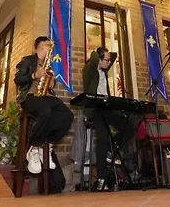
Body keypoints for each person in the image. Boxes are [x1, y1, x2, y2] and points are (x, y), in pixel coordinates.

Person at [14, 36, 74, 174]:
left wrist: (51, 82)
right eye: (48, 45)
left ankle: (48, 146)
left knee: (67, 115)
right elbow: (18, 79)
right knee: (45, 110)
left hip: (45, 96)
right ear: (41, 46)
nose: (51, 48)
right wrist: (34, 75)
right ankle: (34, 148)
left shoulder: (48, 65)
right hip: (29, 97)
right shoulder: (27, 60)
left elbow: (49, 83)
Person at [82, 47, 136, 190]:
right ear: (98, 60)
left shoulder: (104, 71)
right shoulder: (89, 70)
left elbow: (114, 55)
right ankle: (101, 179)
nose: (109, 62)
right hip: (95, 109)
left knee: (129, 125)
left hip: (107, 107)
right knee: (102, 138)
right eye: (106, 60)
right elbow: (94, 56)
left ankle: (111, 149)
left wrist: (107, 57)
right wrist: (98, 54)